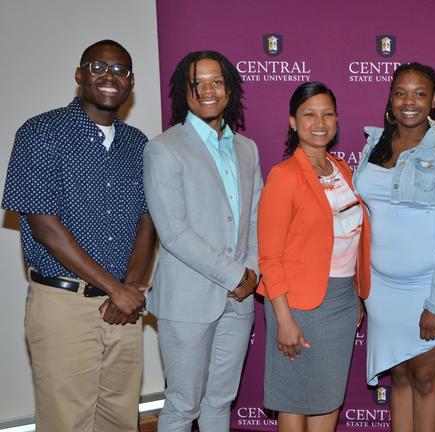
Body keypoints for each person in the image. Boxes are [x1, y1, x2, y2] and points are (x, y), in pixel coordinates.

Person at [1, 39, 155, 431]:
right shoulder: (40, 133)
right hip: (63, 305)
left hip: (123, 309)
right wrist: (114, 288)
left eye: (119, 70)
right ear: (79, 75)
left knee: (120, 420)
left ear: (131, 81)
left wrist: (131, 287)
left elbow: (147, 220)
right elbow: (45, 226)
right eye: (98, 67)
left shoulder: (138, 145)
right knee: (65, 422)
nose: (109, 77)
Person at [143, 51, 262, 431]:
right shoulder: (164, 148)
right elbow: (174, 232)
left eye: (216, 81)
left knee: (220, 401)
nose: (208, 90)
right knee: (182, 405)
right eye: (198, 82)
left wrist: (254, 272)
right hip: (188, 299)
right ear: (184, 90)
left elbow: (256, 218)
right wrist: (236, 275)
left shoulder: (248, 149)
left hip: (239, 298)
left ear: (229, 89)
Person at [353, 62, 435, 432]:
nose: (409, 101)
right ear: (390, 97)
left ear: (434, 99)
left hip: (428, 290)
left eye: (420, 93)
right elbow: (362, 219)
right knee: (399, 377)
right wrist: (360, 287)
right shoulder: (374, 145)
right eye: (401, 92)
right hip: (382, 291)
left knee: (423, 380)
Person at [257, 82, 371, 432]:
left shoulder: (343, 169)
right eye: (309, 114)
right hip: (296, 305)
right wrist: (284, 318)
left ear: (337, 119)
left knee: (328, 395)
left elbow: (352, 241)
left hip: (340, 301)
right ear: (293, 122)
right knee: (294, 397)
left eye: (327, 114)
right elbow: (269, 256)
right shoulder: (284, 176)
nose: (319, 122)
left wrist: (357, 296)